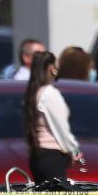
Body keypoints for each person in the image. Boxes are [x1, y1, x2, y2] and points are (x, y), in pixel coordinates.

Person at [22, 51, 82, 183]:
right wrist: (73, 149)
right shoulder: (49, 93)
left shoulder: (33, 93)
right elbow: (60, 126)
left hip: (37, 155)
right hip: (52, 155)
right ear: (50, 67)